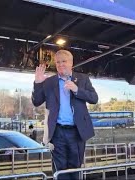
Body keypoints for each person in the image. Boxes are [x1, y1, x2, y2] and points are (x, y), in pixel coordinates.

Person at [32, 50, 98, 179]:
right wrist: (38, 83)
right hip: (57, 132)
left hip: (77, 131)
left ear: (71, 63)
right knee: (59, 169)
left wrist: (76, 89)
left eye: (64, 61)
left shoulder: (83, 79)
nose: (60, 64)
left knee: (75, 167)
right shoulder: (49, 82)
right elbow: (36, 101)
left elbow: (94, 98)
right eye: (58, 62)